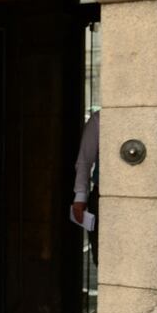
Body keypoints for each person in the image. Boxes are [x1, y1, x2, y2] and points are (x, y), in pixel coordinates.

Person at [71, 110, 100, 264]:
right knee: (101, 254)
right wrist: (80, 196)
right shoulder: (98, 120)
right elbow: (84, 161)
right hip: (101, 195)